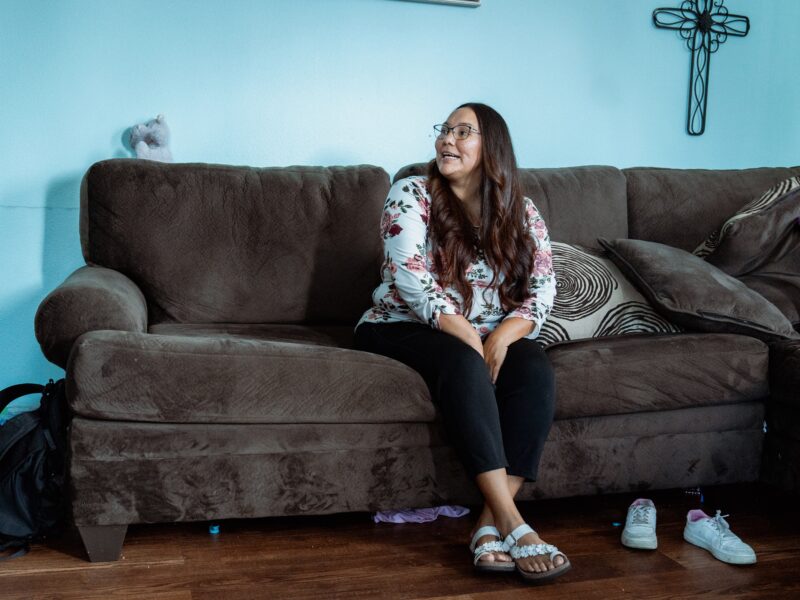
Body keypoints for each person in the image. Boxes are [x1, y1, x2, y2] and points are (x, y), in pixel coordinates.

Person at [354, 103, 567, 583]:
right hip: (397, 324)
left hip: (488, 331)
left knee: (534, 369)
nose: (446, 140)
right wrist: (471, 336)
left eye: (462, 132)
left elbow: (544, 286)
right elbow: (408, 275)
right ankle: (514, 522)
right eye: (444, 130)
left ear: (491, 148)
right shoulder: (410, 193)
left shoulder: (522, 210)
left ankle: (487, 528)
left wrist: (507, 336)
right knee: (461, 360)